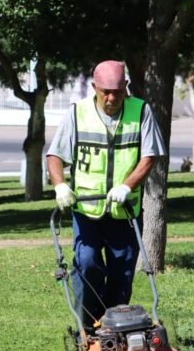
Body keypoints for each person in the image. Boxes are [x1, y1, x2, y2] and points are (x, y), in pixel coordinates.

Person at [46, 60, 166, 334]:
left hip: (124, 211)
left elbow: (149, 156)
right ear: (94, 88)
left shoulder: (141, 111)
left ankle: (115, 328)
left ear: (125, 87)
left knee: (122, 271)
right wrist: (60, 186)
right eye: (105, 92)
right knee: (86, 263)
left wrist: (127, 185)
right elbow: (54, 155)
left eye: (117, 91)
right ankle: (87, 326)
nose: (111, 98)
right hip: (86, 210)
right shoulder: (77, 113)